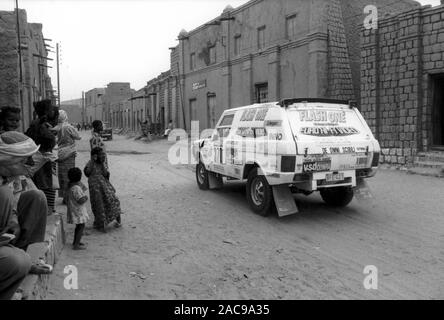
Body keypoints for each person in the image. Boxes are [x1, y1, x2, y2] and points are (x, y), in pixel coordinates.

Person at [0, 131, 53, 300]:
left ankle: (20, 255)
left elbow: (15, 198)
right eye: (25, 160)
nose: (31, 163)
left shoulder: (11, 176)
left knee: (36, 197)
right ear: (5, 161)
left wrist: (13, 217)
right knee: (17, 263)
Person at [25, 100, 59, 215]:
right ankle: (46, 209)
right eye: (50, 109)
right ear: (46, 111)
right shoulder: (40, 126)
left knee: (47, 184)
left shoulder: (38, 124)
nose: (52, 111)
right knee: (45, 184)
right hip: (43, 160)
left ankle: (47, 208)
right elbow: (49, 141)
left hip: (44, 158)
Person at [84, 147, 122, 233]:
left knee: (113, 201)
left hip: (104, 188)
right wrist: (93, 161)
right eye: (101, 154)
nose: (103, 156)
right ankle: (101, 225)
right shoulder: (90, 163)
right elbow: (87, 173)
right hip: (95, 190)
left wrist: (104, 166)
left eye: (103, 154)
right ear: (95, 156)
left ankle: (118, 221)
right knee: (99, 205)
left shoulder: (101, 164)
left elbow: (105, 174)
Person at [55, 110, 81, 204]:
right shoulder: (68, 127)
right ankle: (71, 196)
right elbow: (78, 136)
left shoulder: (56, 128)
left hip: (60, 153)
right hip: (70, 153)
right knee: (70, 175)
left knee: (62, 175)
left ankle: (64, 197)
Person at [66, 168, 89, 250]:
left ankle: (76, 241)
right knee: (81, 227)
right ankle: (76, 244)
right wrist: (85, 198)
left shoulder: (70, 186)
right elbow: (80, 200)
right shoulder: (76, 188)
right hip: (78, 211)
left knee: (78, 227)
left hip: (74, 210)